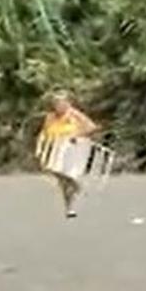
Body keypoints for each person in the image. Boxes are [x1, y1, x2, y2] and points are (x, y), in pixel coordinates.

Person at [35, 91, 98, 219]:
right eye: (56, 103)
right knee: (61, 178)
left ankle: (70, 206)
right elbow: (44, 133)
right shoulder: (51, 117)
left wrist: (77, 135)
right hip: (55, 148)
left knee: (68, 177)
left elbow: (91, 127)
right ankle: (74, 190)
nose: (59, 106)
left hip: (72, 149)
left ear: (68, 103)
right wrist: (40, 148)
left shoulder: (74, 114)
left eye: (62, 102)